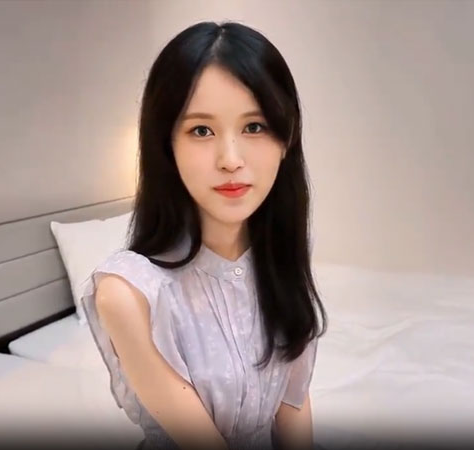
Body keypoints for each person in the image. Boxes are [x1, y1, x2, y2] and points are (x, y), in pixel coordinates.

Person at [81, 20, 327, 450]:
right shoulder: (130, 294)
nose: (230, 159)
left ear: (286, 139)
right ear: (167, 145)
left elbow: (293, 402)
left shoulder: (281, 255)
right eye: (201, 130)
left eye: (254, 127)